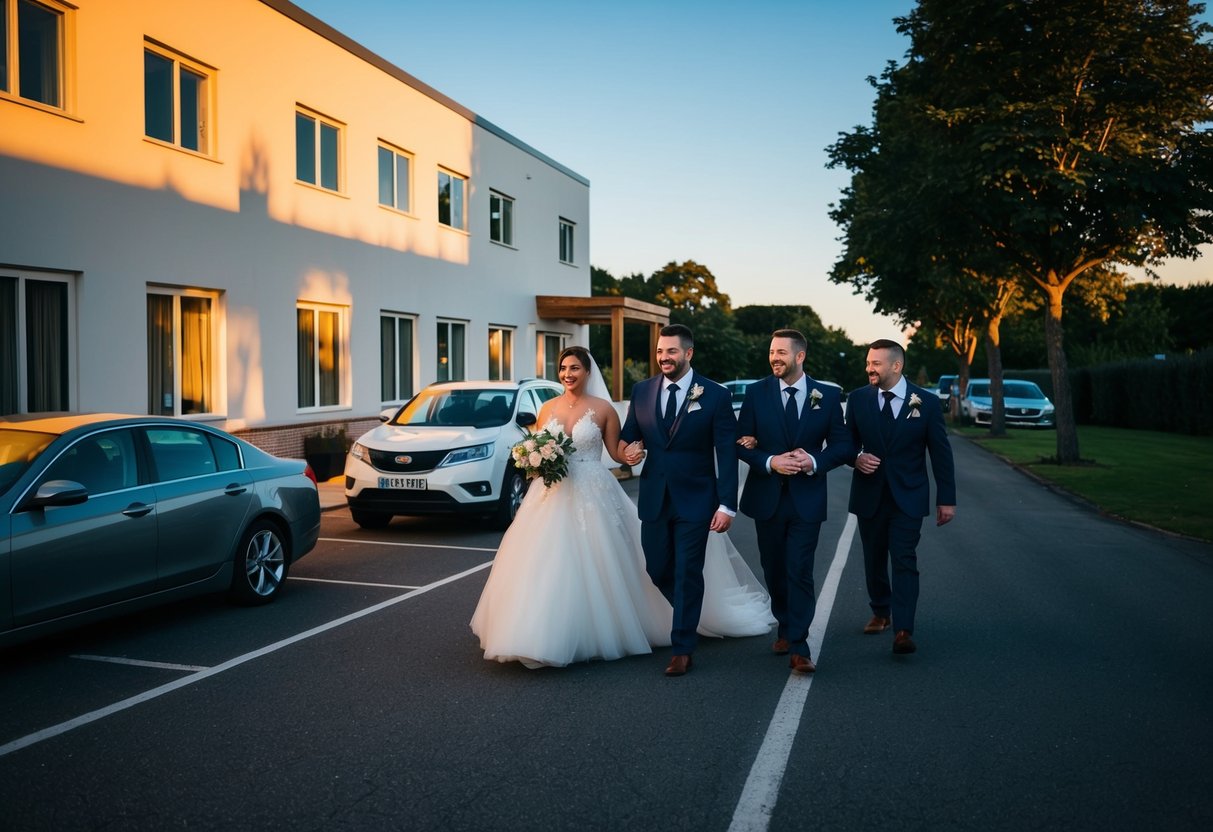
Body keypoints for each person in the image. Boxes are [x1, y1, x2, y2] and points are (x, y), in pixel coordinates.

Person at [470, 346, 773, 670]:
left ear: (587, 372)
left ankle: (679, 630)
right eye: (563, 368)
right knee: (542, 565)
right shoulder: (547, 408)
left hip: (594, 491)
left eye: (574, 368)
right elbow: (540, 443)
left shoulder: (603, 409)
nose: (567, 374)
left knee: (612, 564)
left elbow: (619, 449)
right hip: (549, 495)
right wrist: (534, 460)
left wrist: (629, 455)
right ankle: (532, 633)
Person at [618, 325, 740, 677]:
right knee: (657, 568)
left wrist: (727, 504)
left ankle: (683, 647)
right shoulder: (642, 391)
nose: (664, 358)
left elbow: (726, 454)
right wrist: (629, 453)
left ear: (688, 354)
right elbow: (630, 437)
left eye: (671, 351)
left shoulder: (715, 395)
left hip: (698, 499)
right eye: (660, 352)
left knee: (688, 571)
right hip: (655, 497)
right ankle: (691, 612)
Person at [735, 329, 853, 673]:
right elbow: (740, 443)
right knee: (773, 568)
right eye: (772, 351)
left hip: (807, 498)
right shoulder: (756, 393)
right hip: (766, 497)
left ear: (799, 356)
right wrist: (769, 460)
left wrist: (813, 461)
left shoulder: (827, 396)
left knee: (799, 569)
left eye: (781, 352)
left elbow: (843, 446)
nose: (774, 358)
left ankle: (800, 645)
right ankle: (785, 625)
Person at [846, 339, 956, 655]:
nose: (869, 368)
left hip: (909, 496)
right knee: (874, 558)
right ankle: (881, 610)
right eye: (868, 362)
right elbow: (846, 443)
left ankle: (903, 629)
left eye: (876, 363)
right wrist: (856, 457)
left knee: (905, 558)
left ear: (896, 365)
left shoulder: (927, 402)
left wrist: (946, 499)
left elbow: (941, 454)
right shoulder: (858, 400)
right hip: (870, 495)